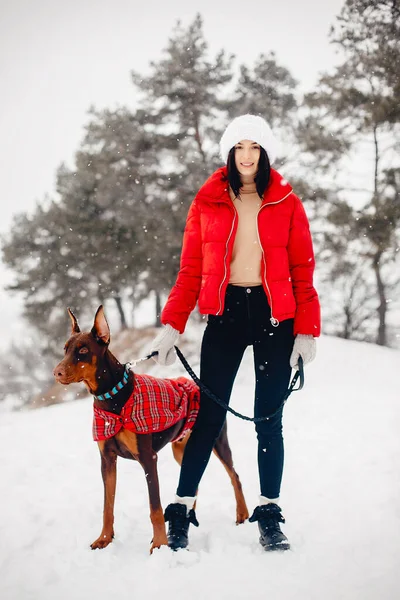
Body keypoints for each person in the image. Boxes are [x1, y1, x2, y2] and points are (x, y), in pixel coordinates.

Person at [149, 114, 321, 552]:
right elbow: (190, 270)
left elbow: (302, 271)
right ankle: (182, 508)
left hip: (273, 318)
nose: (246, 156)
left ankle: (268, 512)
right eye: (239, 147)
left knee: (269, 419)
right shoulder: (207, 201)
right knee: (208, 417)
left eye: (255, 148)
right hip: (224, 316)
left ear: (265, 154)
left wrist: (307, 331)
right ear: (229, 153)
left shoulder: (285, 201)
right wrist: (172, 324)